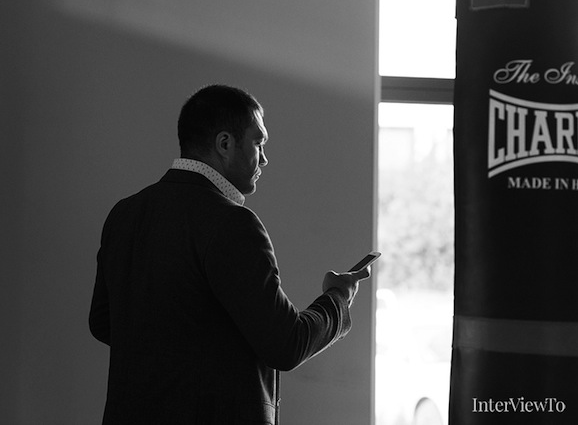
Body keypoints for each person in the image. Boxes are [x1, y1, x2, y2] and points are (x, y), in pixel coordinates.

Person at [89, 84, 370, 424]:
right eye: (258, 143)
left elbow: (103, 322)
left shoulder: (124, 214)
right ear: (225, 144)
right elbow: (286, 345)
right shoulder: (232, 223)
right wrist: (338, 299)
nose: (264, 158)